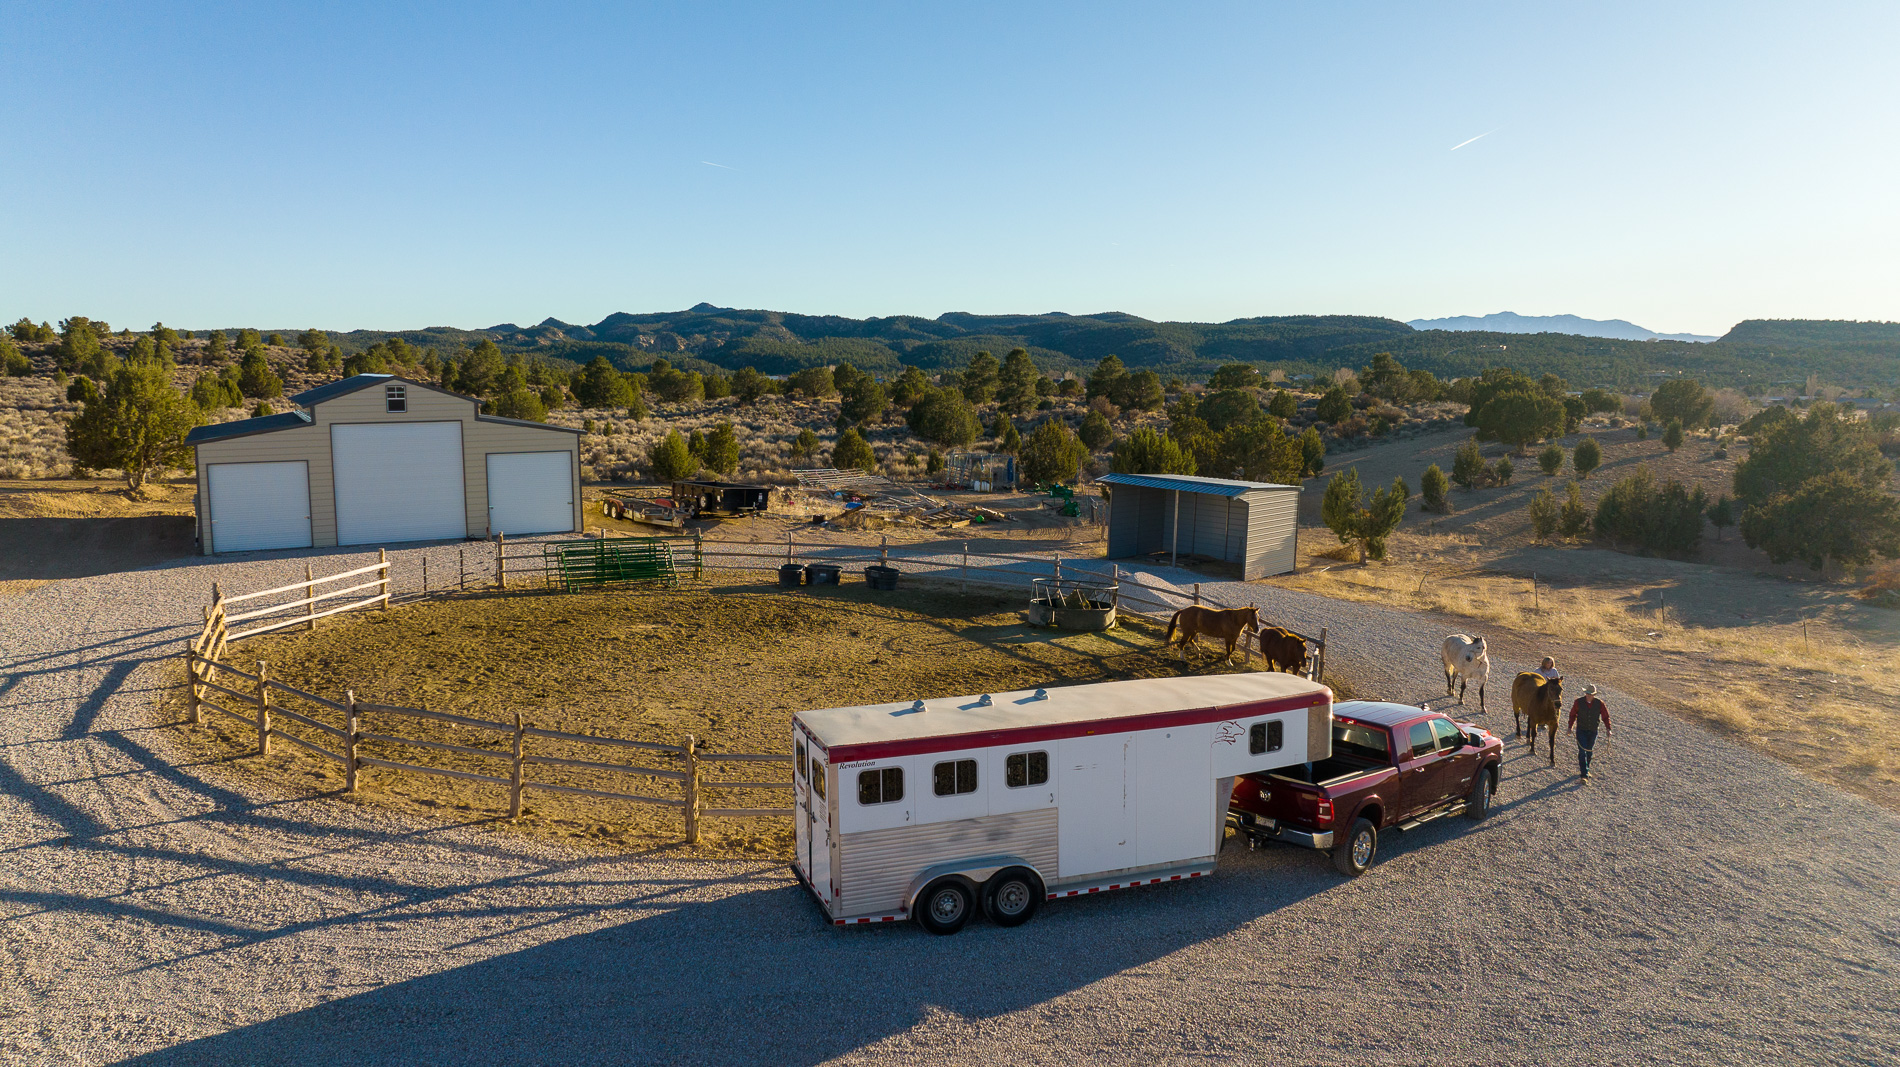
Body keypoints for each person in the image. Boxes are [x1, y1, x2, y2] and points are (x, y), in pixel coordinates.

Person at [1566, 683, 1613, 780]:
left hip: (1593, 730)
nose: (1588, 695)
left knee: (1589, 751)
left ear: (1594, 695)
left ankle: (1586, 769)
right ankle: (1584, 774)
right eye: (1587, 693)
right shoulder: (1578, 702)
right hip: (1581, 730)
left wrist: (1608, 729)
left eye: (1590, 694)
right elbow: (1572, 715)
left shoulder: (1600, 704)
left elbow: (1605, 717)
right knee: (1582, 751)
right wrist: (1570, 727)